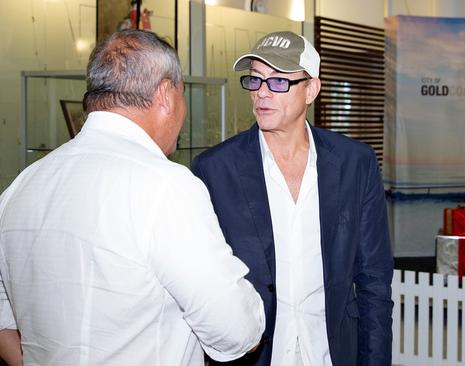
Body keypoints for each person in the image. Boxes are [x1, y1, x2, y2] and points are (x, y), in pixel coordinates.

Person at [0, 29, 264, 365]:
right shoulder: (165, 186)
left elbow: (5, 323)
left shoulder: (22, 186)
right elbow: (235, 331)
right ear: (166, 94)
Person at [191, 31, 393, 365]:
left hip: (331, 353)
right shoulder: (215, 169)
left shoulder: (354, 163)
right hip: (254, 356)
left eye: (279, 82)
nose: (262, 94)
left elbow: (374, 281)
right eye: (255, 81)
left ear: (311, 89)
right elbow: (203, 283)